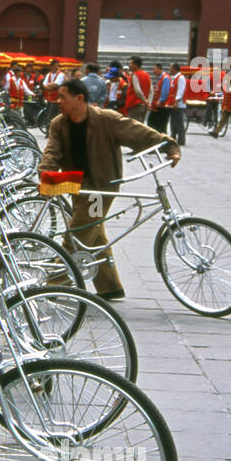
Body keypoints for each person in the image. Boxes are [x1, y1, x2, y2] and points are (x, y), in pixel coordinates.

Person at [39, 79, 180, 300]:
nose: (58, 102)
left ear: (79, 99)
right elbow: (52, 152)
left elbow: (140, 133)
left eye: (62, 97)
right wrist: (46, 173)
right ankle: (110, 286)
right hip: (75, 185)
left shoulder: (106, 120)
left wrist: (168, 145)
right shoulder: (59, 123)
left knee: (77, 235)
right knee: (94, 233)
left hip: (100, 188)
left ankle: (54, 284)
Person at [211, 73, 231, 139]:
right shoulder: (225, 84)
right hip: (226, 106)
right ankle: (216, 132)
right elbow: (223, 92)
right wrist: (215, 93)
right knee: (222, 121)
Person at [168, 62, 188, 146]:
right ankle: (173, 137)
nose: (169, 69)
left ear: (174, 69)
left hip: (178, 104)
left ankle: (181, 140)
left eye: (171, 68)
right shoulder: (174, 78)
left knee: (179, 122)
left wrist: (176, 101)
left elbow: (181, 90)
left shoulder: (181, 78)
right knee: (173, 122)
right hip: (173, 103)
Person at [124, 57, 149, 121]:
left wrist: (144, 100)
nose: (129, 65)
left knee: (133, 126)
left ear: (135, 65)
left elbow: (137, 91)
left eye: (131, 63)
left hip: (134, 104)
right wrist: (148, 102)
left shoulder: (135, 75)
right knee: (141, 125)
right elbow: (151, 91)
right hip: (143, 105)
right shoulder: (146, 74)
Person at [148, 63, 170, 133]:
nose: (153, 71)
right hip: (157, 105)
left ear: (159, 69)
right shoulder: (161, 78)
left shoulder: (165, 78)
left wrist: (161, 100)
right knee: (153, 123)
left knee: (160, 125)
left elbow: (165, 91)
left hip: (162, 105)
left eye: (154, 69)